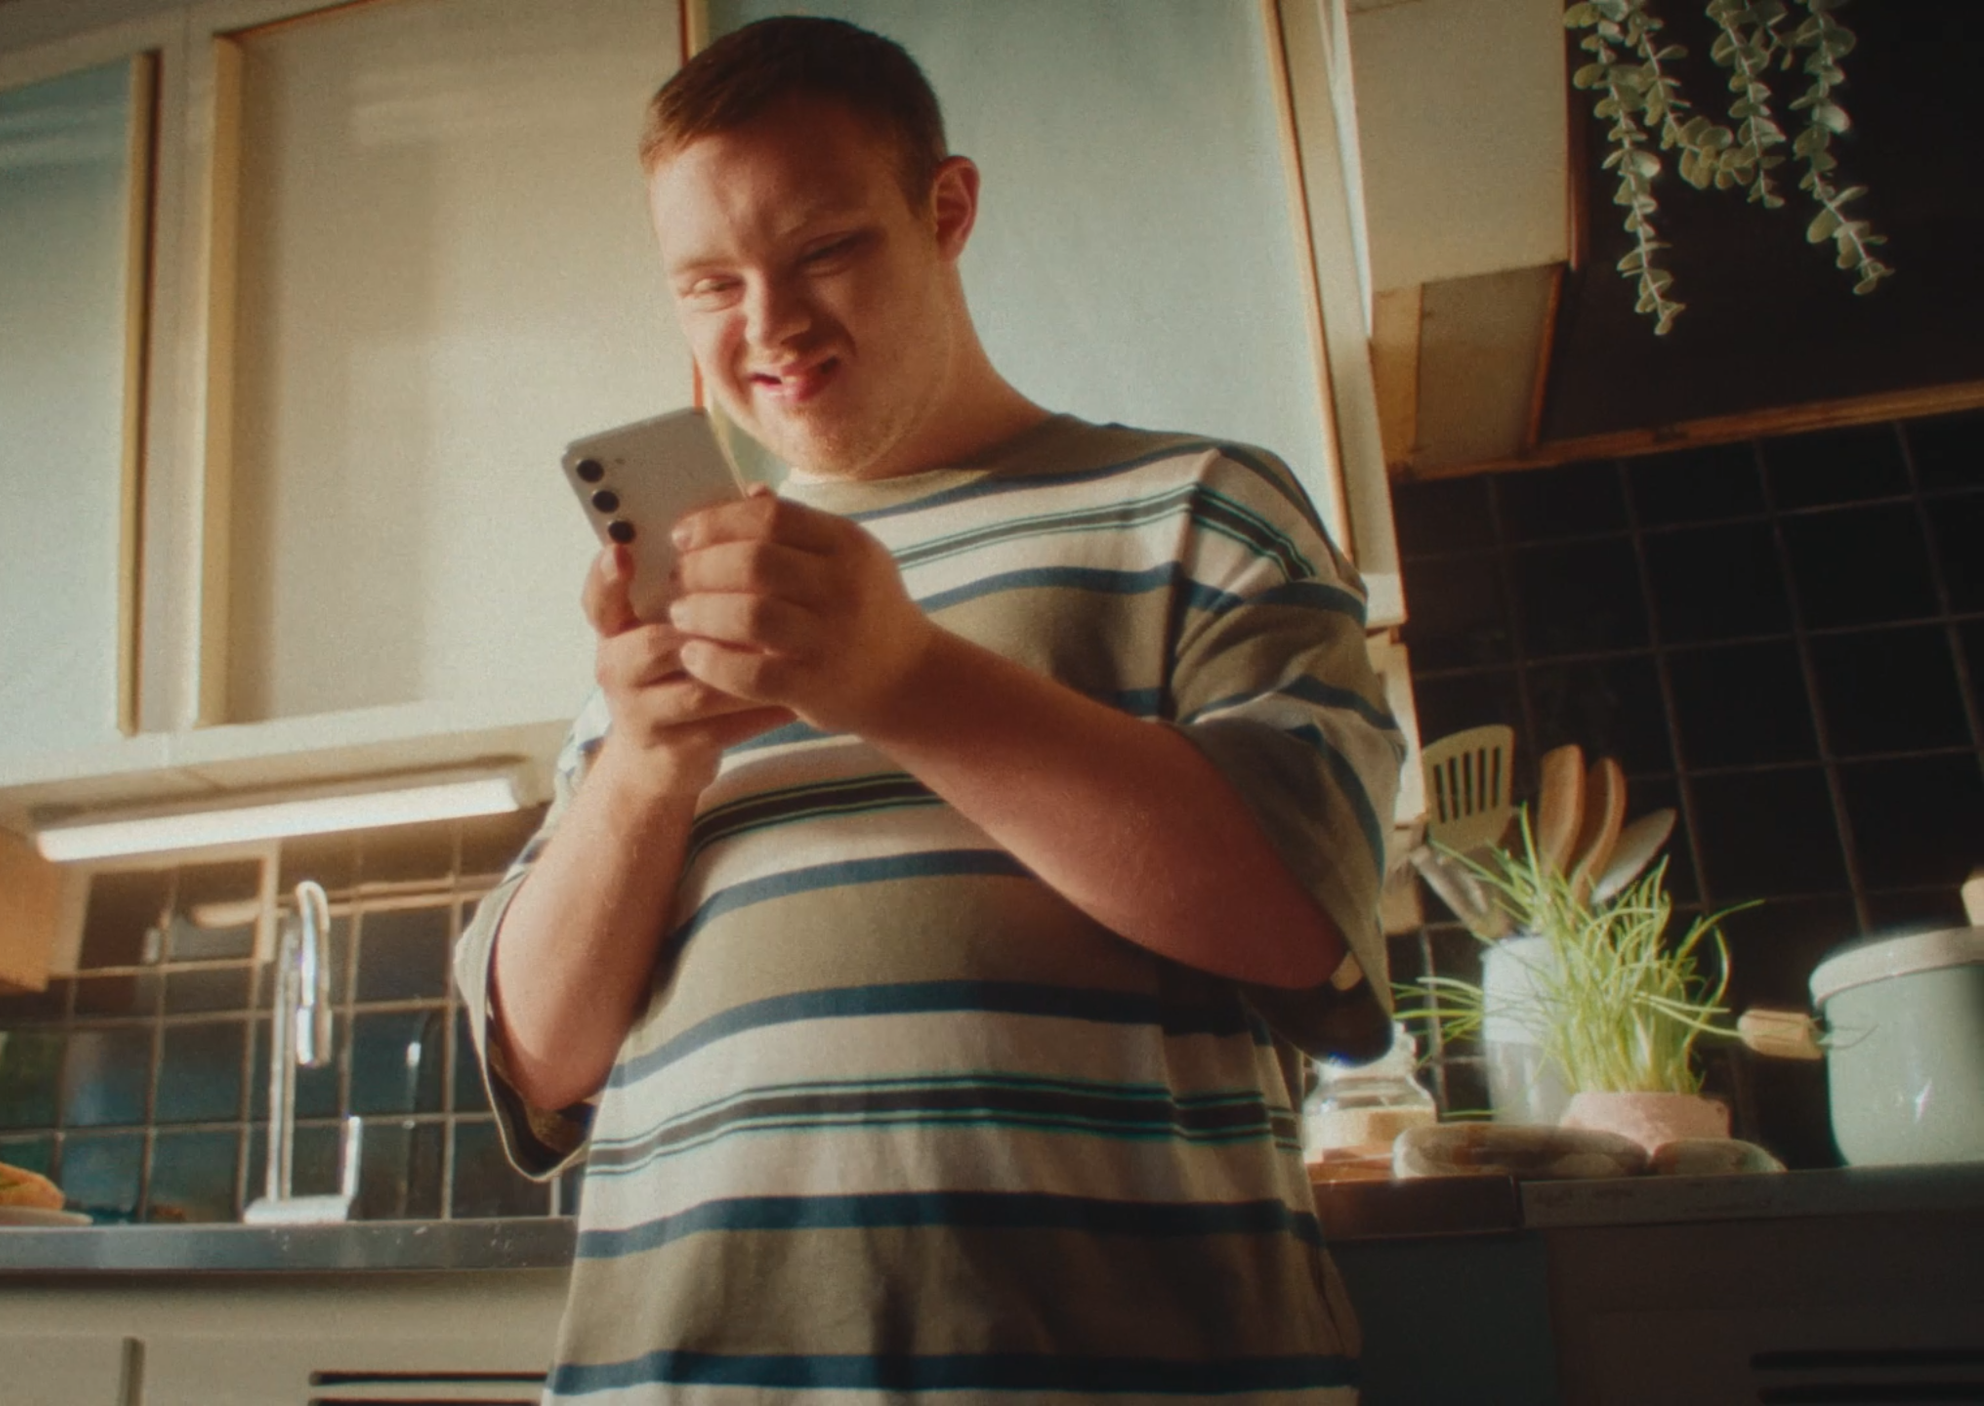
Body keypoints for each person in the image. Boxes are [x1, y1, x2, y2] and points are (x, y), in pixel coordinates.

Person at [454, 16, 1402, 1404]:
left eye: (824, 250)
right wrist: (645, 766)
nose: (766, 326)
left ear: (945, 210)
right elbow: (538, 1057)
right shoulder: (687, 601)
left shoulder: (1201, 509)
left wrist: (903, 678)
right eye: (710, 281)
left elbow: (1302, 921)